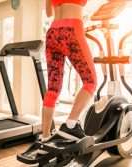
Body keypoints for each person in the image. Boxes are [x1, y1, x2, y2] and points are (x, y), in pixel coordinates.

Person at [41, 0, 97, 143]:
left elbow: (48, 13)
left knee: (53, 89)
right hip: (71, 29)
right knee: (90, 82)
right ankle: (71, 123)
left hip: (52, 32)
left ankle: (45, 137)